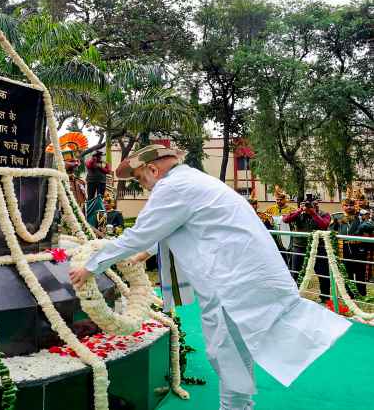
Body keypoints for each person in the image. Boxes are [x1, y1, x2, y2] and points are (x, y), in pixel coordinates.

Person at [69, 144, 349, 410]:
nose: (144, 186)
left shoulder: (172, 188)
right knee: (233, 351)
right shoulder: (193, 181)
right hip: (242, 276)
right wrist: (143, 255)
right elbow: (175, 227)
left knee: (226, 352)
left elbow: (140, 233)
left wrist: (90, 266)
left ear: (154, 170)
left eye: (142, 179)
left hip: (231, 282)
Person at [283, 195, 331, 297]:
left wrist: (313, 213)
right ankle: (294, 295)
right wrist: (299, 210)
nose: (310, 206)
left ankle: (325, 296)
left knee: (323, 274)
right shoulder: (299, 213)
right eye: (307, 204)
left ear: (317, 204)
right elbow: (286, 220)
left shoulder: (324, 214)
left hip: (319, 248)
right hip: (299, 247)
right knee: (296, 273)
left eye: (313, 204)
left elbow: (324, 225)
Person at [336, 198, 374, 296]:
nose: (349, 207)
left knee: (360, 273)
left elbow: (370, 225)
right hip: (344, 249)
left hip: (359, 249)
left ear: (355, 206)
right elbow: (330, 230)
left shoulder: (361, 216)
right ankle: (349, 295)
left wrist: (361, 227)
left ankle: (361, 295)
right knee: (346, 273)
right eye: (346, 205)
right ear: (342, 206)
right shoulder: (338, 217)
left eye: (351, 205)